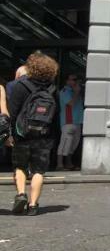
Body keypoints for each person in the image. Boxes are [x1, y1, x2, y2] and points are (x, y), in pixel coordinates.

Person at [9, 51, 58, 216]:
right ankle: (33, 205)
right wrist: (53, 137)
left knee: (20, 166)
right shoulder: (52, 89)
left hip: (22, 134)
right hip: (44, 136)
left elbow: (13, 112)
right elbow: (55, 116)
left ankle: (21, 194)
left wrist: (11, 134)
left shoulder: (19, 86)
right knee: (38, 170)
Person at [56, 73, 83, 171]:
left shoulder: (76, 91)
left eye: (76, 80)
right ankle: (59, 164)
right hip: (68, 121)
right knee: (65, 142)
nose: (75, 82)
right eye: (73, 79)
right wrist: (76, 92)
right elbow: (70, 104)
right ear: (67, 81)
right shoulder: (65, 91)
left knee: (73, 144)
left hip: (77, 120)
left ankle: (68, 163)